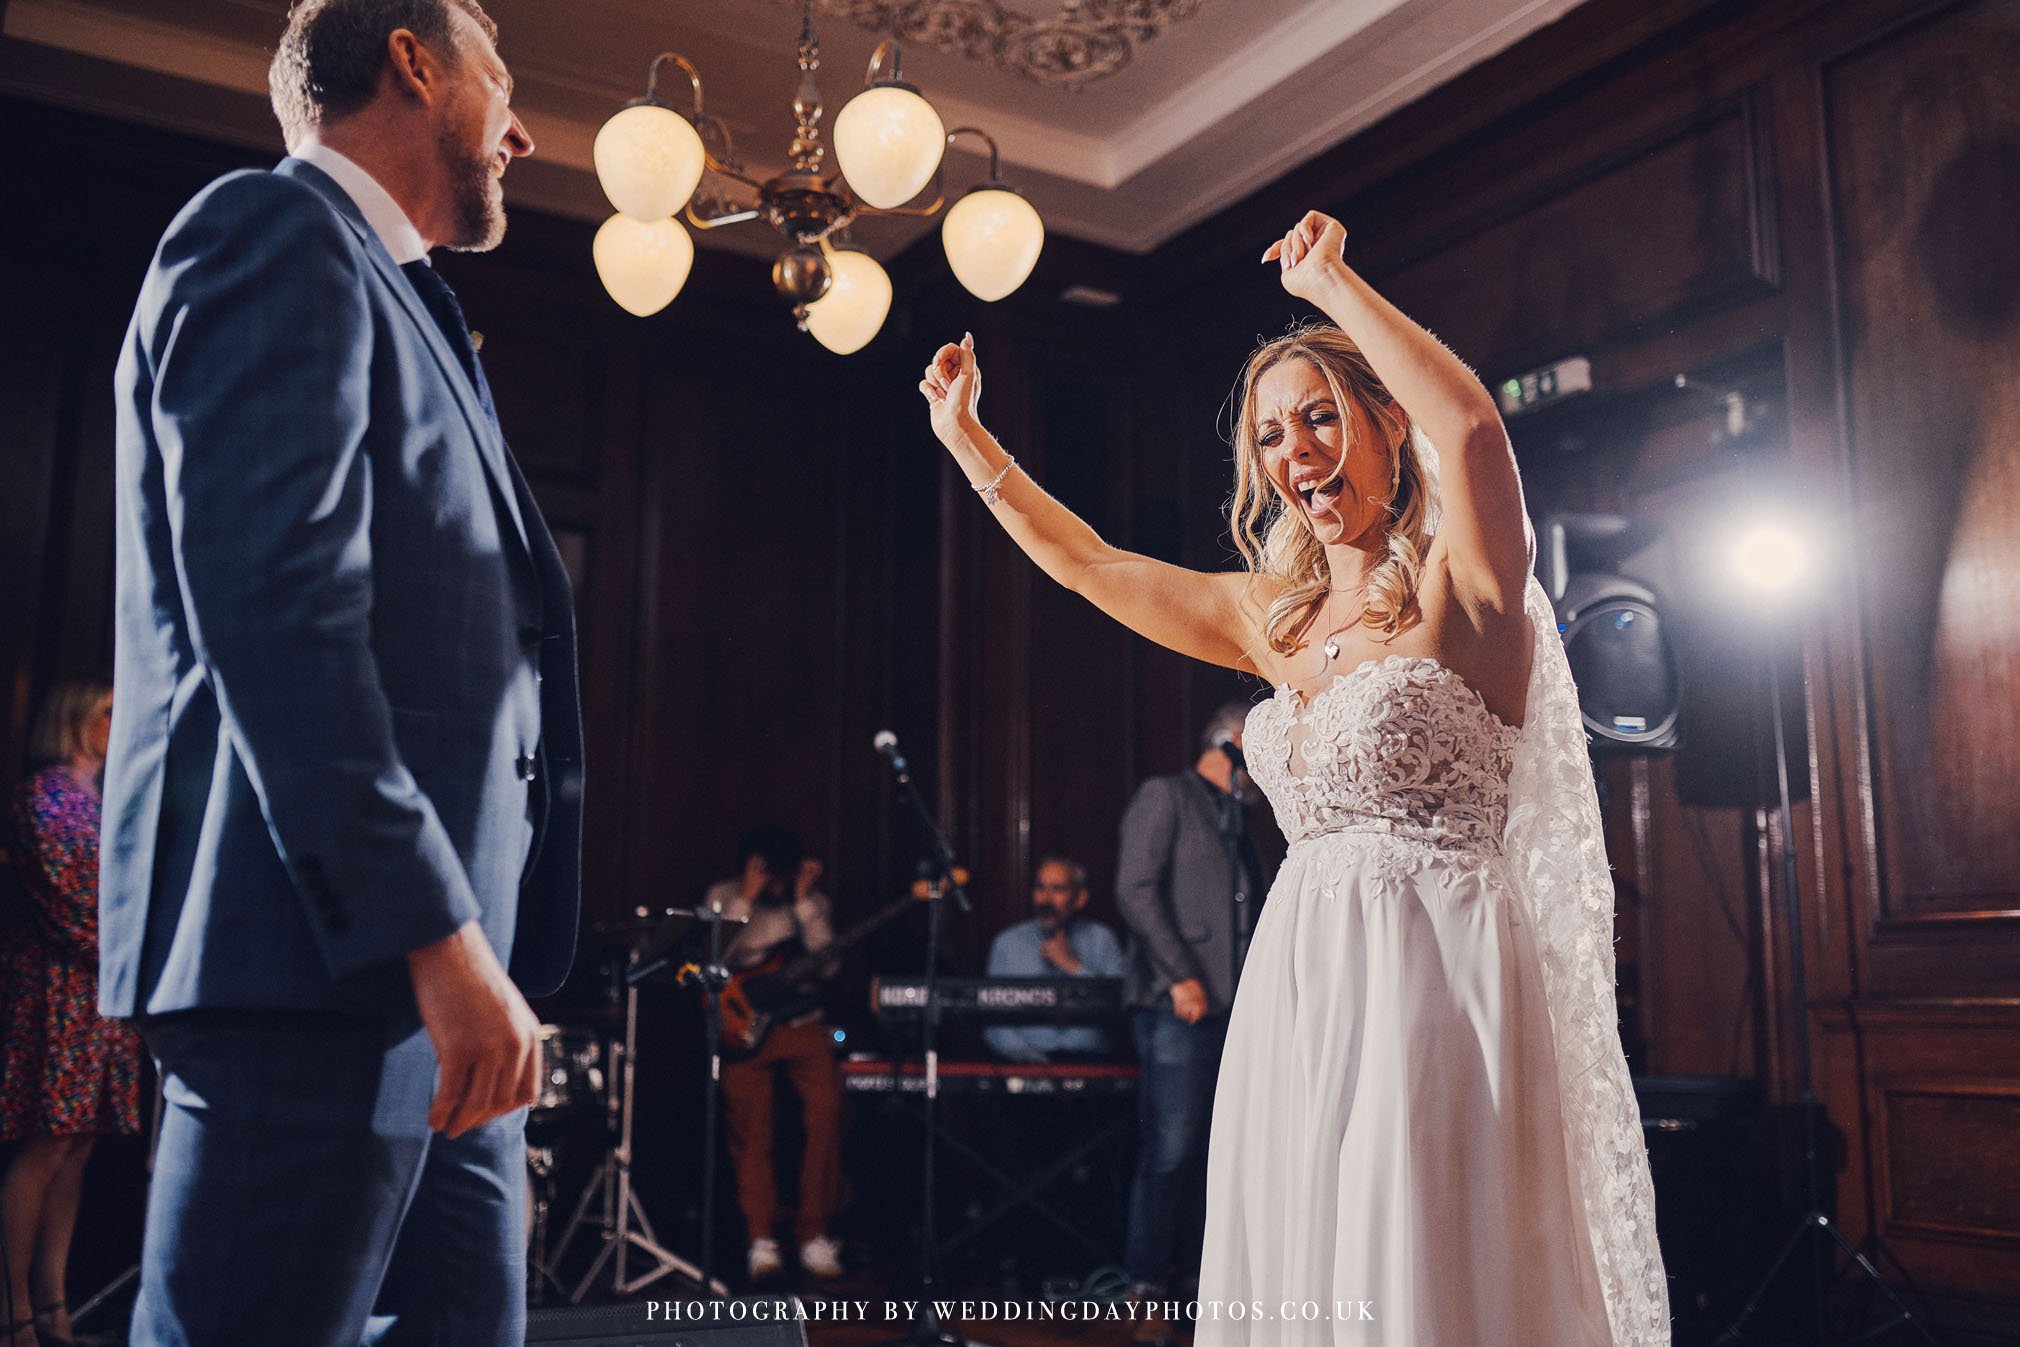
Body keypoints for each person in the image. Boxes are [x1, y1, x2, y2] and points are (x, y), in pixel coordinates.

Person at [918, 210, 1668, 1345]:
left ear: (1383, 427)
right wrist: (969, 440)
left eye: (1321, 418)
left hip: (1437, 963)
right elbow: (1091, 565)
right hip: (1301, 977)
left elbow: (1468, 425)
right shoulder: (1272, 624)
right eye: (1271, 435)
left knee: (1416, 1242)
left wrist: (1335, 290)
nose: (1295, 449)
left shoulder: (1465, 598)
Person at [100, 2, 582, 1343]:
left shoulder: (416, 304)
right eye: (502, 79)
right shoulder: (269, 234)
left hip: (451, 992)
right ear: (413, 63)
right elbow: (280, 613)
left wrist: (473, 956)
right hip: (317, 966)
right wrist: (435, 933)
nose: (525, 128)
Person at [1109, 706, 1264, 1316]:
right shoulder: (1167, 795)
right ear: (1230, 742)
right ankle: (1146, 1280)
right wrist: (1182, 976)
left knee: (1219, 1150)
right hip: (1180, 1007)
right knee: (1171, 1148)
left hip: (1237, 1008)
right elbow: (1135, 889)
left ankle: (1205, 1280)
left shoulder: (1241, 819)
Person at [2, 682, 141, 1347]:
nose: (120, 721)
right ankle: (13, 1307)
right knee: (46, 1141)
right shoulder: (45, 794)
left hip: (102, 996)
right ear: (75, 717)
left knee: (78, 1146)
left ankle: (56, 1306)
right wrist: (131, 950)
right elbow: (66, 903)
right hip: (60, 989)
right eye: (109, 710)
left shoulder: (105, 798)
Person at [705, 824, 846, 1283]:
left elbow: (832, 964)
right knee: (749, 1135)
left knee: (827, 1119)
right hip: (742, 1030)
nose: (777, 883)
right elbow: (712, 961)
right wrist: (745, 899)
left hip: (803, 1027)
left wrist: (804, 901)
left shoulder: (811, 901)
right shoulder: (722, 897)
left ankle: (813, 1236)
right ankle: (760, 1241)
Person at [983, 855, 1126, 1063]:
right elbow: (993, 1020)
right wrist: (1031, 1061)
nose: (1046, 899)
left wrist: (1074, 967)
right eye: (1040, 888)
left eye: (1058, 889)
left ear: (1080, 898)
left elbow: (1119, 1010)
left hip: (1091, 1064)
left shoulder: (1102, 939)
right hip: (1024, 1065)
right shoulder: (1007, 943)